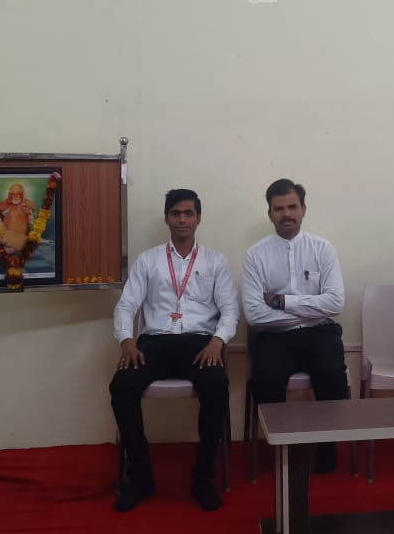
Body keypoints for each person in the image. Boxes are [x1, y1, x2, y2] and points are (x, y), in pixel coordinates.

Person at [110, 189, 239, 512]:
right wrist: (127, 341)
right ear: (166, 218)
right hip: (155, 344)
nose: (182, 219)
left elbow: (230, 310)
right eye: (176, 213)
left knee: (216, 385)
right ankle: (140, 479)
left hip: (200, 344)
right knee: (122, 386)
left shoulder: (215, 261)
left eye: (189, 213)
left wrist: (217, 341)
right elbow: (126, 305)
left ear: (198, 219)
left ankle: (203, 479)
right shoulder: (148, 260)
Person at [243, 179, 348, 473]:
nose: (286, 214)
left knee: (331, 374)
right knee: (265, 377)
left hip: (320, 334)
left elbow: (336, 303)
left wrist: (282, 302)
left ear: (303, 209)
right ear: (270, 214)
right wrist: (309, 311)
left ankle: (326, 449)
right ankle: (284, 451)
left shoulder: (323, 249)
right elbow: (254, 314)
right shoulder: (255, 255)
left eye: (292, 206)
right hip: (276, 337)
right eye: (279, 209)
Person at [0, 183, 35, 252]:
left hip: (20, 236)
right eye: (13, 194)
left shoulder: (28, 204)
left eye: (17, 194)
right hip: (6, 234)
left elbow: (31, 222)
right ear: (10, 195)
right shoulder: (5, 203)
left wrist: (29, 212)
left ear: (22, 194)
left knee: (16, 247)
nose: (15, 196)